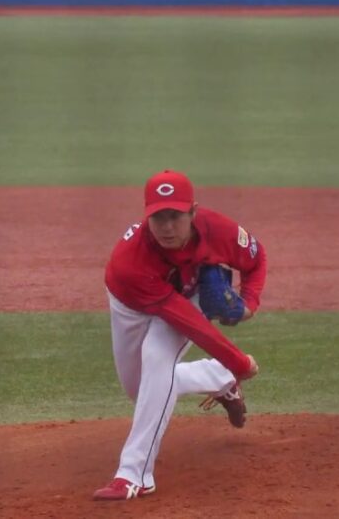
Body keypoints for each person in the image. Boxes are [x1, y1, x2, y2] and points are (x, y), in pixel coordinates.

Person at [94, 170, 266, 501]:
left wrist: (249, 303)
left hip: (190, 294)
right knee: (141, 390)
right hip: (131, 304)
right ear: (146, 217)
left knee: (158, 358)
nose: (168, 226)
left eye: (175, 216)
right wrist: (238, 363)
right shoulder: (130, 262)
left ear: (193, 211)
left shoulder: (218, 230)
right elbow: (187, 322)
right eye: (159, 217)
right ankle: (219, 376)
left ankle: (133, 474)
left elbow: (257, 260)